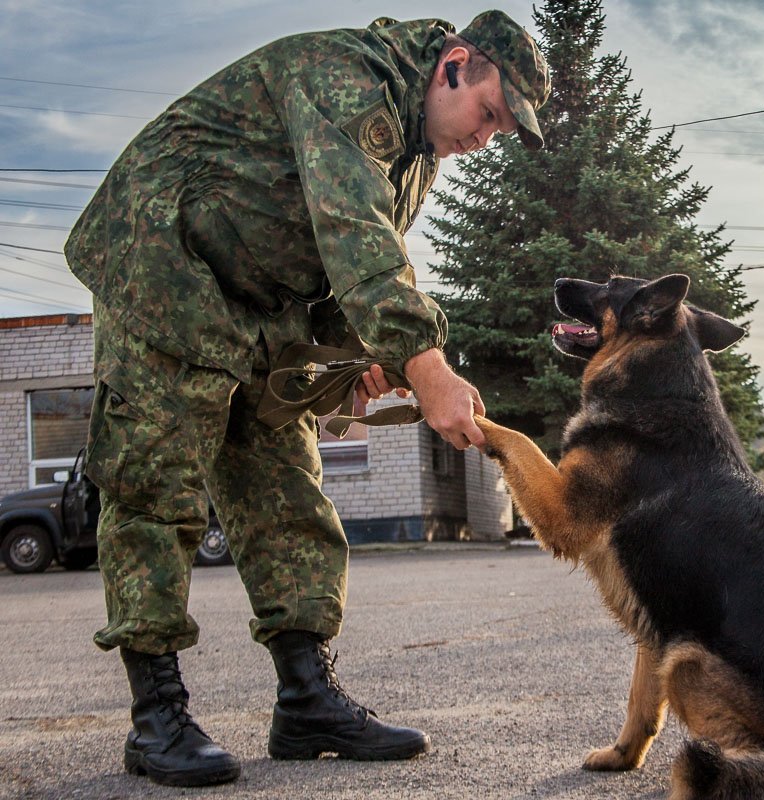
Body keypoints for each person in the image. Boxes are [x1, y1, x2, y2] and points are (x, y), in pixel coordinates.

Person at [64, 10, 550, 788]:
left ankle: (306, 701)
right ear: (454, 65)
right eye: (489, 115)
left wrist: (357, 352)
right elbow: (352, 229)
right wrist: (428, 369)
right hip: (165, 261)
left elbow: (340, 264)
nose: (484, 139)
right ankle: (156, 716)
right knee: (156, 484)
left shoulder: (417, 153)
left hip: (260, 302)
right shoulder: (344, 75)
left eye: (501, 131)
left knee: (287, 488)